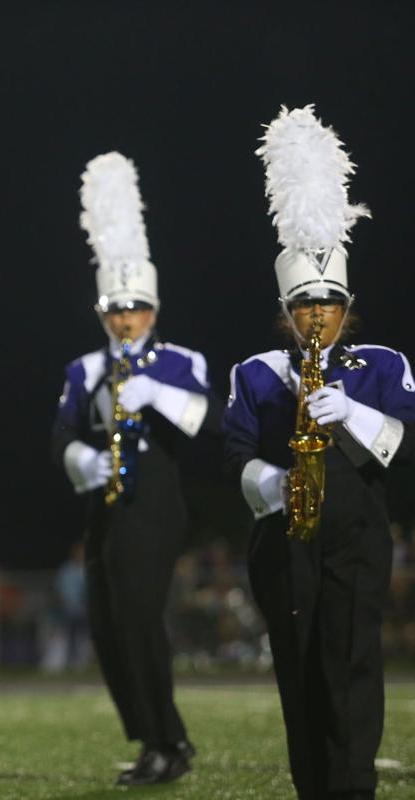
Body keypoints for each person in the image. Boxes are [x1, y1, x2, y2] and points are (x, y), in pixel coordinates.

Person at [225, 105, 415, 800]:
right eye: (305, 302)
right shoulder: (256, 372)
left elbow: (403, 440)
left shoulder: (382, 365)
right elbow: (236, 449)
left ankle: (354, 789)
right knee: (299, 668)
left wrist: (353, 413)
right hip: (284, 538)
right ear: (286, 308)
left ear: (347, 305)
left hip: (358, 539)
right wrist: (271, 488)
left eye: (329, 302)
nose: (318, 314)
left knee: (353, 664)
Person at [51, 152, 212, 786]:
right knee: (108, 625)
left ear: (153, 310)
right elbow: (61, 431)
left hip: (155, 502)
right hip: (105, 502)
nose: (125, 320)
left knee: (140, 618)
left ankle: (167, 743)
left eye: (136, 309)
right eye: (116, 310)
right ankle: (152, 735)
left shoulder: (179, 360)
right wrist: (78, 458)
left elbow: (207, 416)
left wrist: (157, 396)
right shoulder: (84, 370)